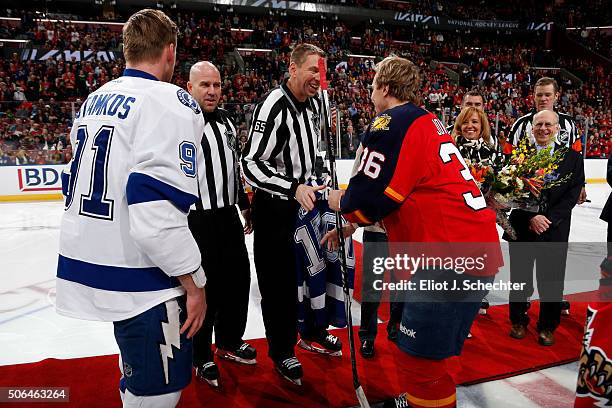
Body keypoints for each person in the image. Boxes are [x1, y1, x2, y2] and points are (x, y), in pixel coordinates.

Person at [325, 56, 502, 408]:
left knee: (419, 363)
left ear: (386, 88)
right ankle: (420, 400)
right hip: (468, 249)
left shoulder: (392, 120)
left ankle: (424, 400)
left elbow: (370, 195)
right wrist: (354, 223)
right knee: (430, 359)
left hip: (448, 257)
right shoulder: (425, 121)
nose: (370, 92)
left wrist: (338, 201)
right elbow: (402, 190)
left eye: (374, 84)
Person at [55, 9, 207, 408]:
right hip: (142, 278)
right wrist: (194, 283)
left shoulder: (95, 98)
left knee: (135, 373)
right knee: (161, 389)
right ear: (170, 52)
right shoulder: (171, 101)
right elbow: (154, 208)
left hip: (90, 260)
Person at [241, 43, 340, 386]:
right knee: (279, 285)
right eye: (312, 70)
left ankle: (314, 331)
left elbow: (315, 155)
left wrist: (324, 182)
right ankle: (283, 351)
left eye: (321, 71)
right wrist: (290, 187)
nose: (318, 77)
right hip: (276, 210)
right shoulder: (273, 105)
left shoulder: (315, 104)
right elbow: (250, 163)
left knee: (315, 273)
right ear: (293, 68)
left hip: (308, 205)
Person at [186, 61, 255, 388]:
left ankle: (228, 340)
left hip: (228, 214)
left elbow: (233, 167)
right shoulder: (181, 122)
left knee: (238, 280)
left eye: (216, 85)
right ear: (190, 87)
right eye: (205, 85)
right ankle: (200, 355)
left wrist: (244, 205)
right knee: (205, 287)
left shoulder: (227, 120)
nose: (212, 91)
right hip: (197, 219)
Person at [505, 110, 585, 346]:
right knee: (520, 278)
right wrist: (531, 216)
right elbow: (511, 191)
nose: (543, 128)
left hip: (554, 229)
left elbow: (572, 194)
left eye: (548, 124)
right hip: (523, 227)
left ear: (557, 128)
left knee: (551, 280)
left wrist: (546, 219)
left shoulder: (572, 158)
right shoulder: (520, 156)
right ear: (531, 128)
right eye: (538, 124)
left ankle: (547, 326)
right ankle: (518, 320)